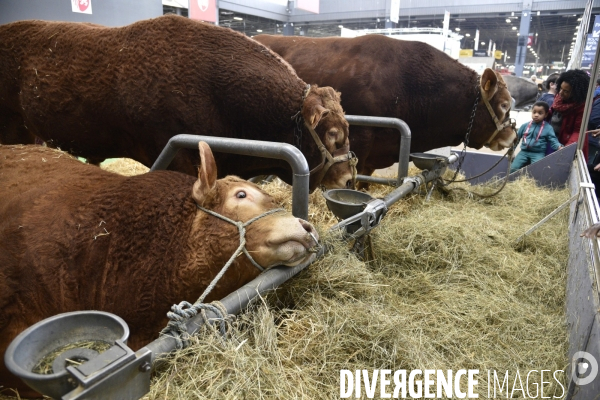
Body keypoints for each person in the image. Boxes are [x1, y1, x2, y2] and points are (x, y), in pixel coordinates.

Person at [546, 69, 590, 162]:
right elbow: (552, 112)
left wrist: (565, 151)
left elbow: (578, 131)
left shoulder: (582, 106)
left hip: (565, 143)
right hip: (552, 139)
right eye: (561, 88)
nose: (561, 92)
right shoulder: (558, 98)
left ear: (576, 92)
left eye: (566, 91)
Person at [510, 101, 562, 173]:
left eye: (540, 113)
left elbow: (553, 140)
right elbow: (517, 138)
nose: (536, 115)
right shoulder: (525, 125)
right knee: (513, 168)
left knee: (537, 170)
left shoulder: (548, 128)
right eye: (534, 112)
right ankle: (511, 182)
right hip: (524, 152)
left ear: (546, 114)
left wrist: (559, 147)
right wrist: (511, 150)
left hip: (538, 153)